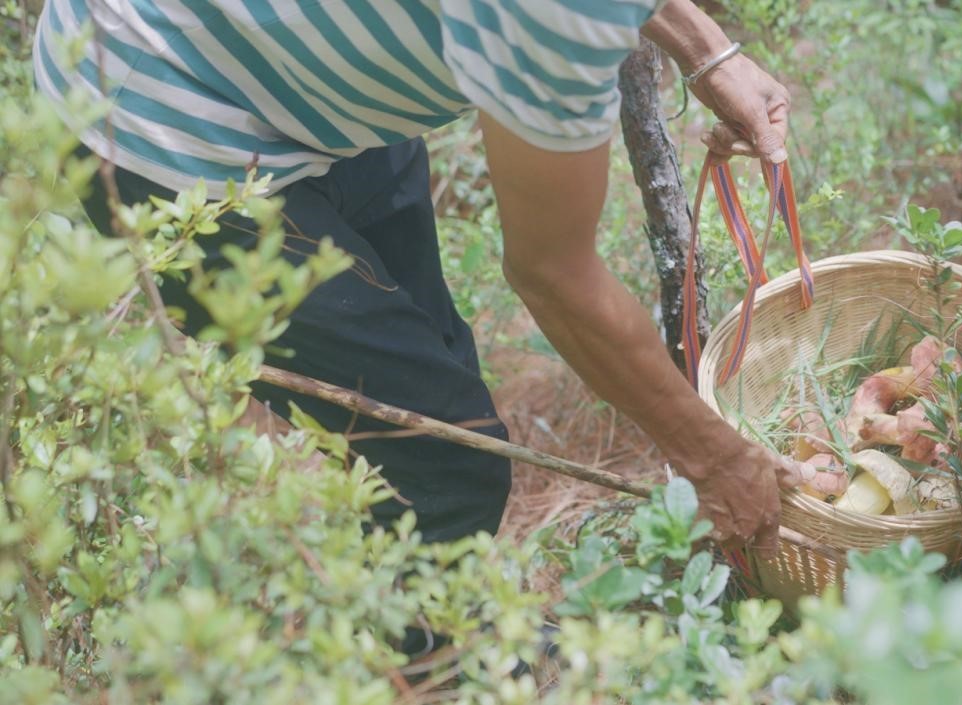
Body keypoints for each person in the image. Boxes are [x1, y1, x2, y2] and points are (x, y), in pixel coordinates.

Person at [34, 0, 844, 558]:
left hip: (303, 67)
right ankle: (429, 666)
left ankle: (427, 611)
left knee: (432, 376)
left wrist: (707, 49)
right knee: (443, 467)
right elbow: (553, 273)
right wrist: (715, 458)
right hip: (161, 108)